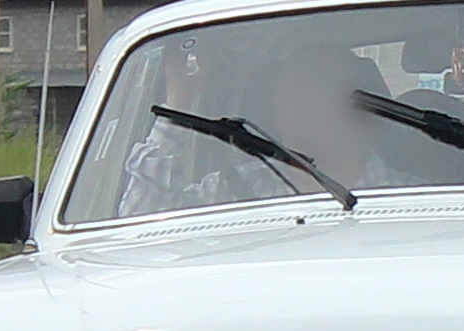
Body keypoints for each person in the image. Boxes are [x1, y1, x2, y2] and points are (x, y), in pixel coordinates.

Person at [119, 45, 421, 217]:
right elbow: (138, 221)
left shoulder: (412, 199)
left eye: (327, 89)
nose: (309, 104)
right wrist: (179, 105)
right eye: (295, 91)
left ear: (362, 110)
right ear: (272, 111)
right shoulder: (226, 191)